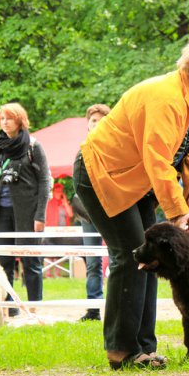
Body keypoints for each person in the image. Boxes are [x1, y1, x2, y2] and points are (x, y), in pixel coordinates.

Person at [73, 36, 189, 369]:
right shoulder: (165, 98)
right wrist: (177, 211)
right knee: (131, 253)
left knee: (152, 258)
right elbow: (158, 160)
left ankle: (143, 349)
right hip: (103, 173)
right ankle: (121, 351)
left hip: (140, 180)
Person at [0, 103, 51, 309]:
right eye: (1, 118)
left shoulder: (34, 146)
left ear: (20, 121)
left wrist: (40, 215)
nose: (4, 122)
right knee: (2, 261)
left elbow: (44, 181)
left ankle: (35, 307)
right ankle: (7, 308)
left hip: (27, 213)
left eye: (9, 118)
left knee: (30, 262)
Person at [77, 103, 111, 321]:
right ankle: (93, 308)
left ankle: (118, 307)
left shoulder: (115, 148)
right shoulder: (83, 148)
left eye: (101, 120)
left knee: (117, 260)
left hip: (111, 210)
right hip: (87, 213)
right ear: (88, 124)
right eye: (93, 121)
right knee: (92, 262)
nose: (96, 124)